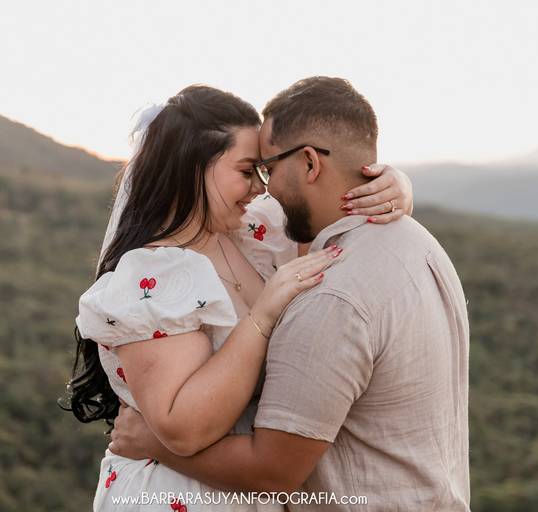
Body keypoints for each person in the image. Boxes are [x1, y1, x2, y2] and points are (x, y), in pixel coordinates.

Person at [109, 77, 471, 511]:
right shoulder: (154, 278)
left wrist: (393, 185)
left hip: (249, 489)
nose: (261, 187)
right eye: (248, 171)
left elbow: (322, 211)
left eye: (265, 169)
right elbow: (182, 430)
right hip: (180, 494)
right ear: (193, 170)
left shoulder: (253, 234)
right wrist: (261, 318)